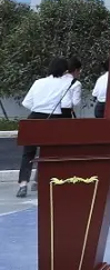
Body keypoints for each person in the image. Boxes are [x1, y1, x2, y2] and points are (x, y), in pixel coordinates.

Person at [15, 57, 73, 198]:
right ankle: (46, 182)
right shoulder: (66, 84)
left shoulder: (38, 82)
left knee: (28, 153)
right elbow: (66, 105)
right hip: (54, 119)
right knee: (52, 152)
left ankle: (23, 184)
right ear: (65, 70)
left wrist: (39, 107)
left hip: (34, 117)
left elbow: (26, 102)